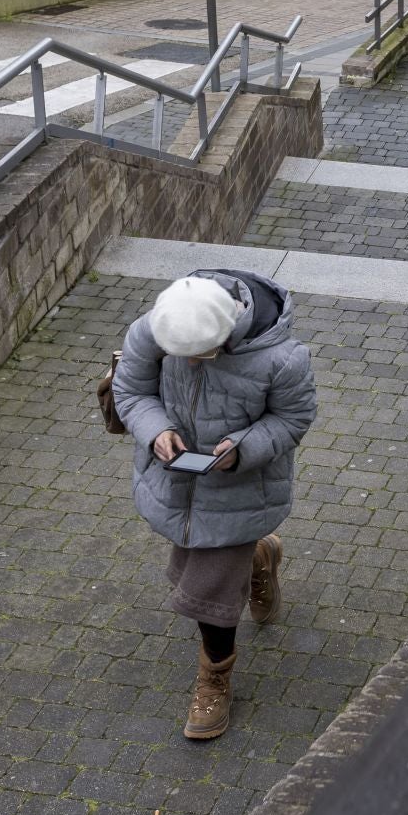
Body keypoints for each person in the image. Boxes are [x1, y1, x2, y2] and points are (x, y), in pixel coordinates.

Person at [113, 269, 316, 741]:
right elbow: (131, 390)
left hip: (240, 487)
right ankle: (260, 556)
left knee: (208, 591)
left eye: (199, 355)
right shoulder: (154, 328)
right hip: (176, 479)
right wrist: (155, 431)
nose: (185, 362)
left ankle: (215, 677)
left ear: (227, 332)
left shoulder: (284, 359)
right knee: (203, 563)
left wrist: (241, 449)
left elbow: (294, 417)